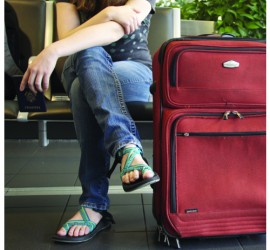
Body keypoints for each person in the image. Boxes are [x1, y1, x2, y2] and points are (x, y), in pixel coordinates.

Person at [20, 0, 159, 243]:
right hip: (78, 65)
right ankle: (127, 148)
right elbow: (69, 37)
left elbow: (117, 29)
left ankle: (93, 205)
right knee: (88, 50)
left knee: (80, 87)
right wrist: (110, 13)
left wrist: (54, 49)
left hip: (132, 73)